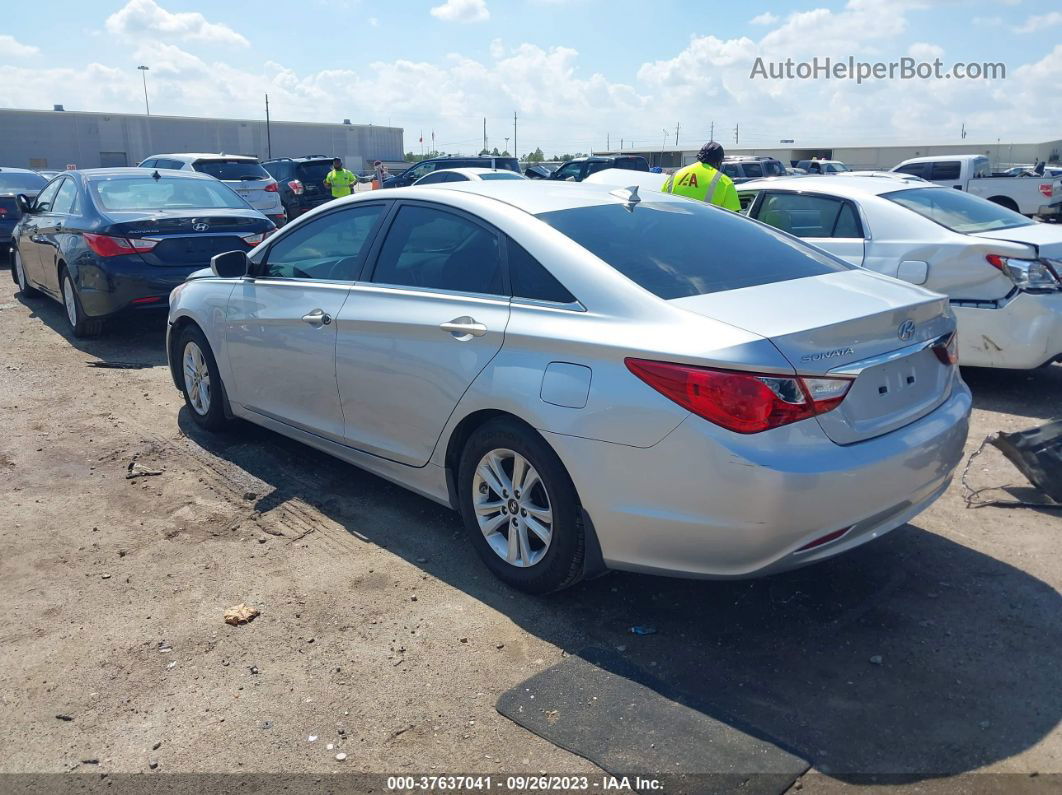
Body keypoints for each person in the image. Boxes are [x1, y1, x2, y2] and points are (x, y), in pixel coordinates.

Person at [660, 141, 740, 211]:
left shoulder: (676, 174)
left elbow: (661, 204)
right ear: (719, 161)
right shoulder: (724, 182)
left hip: (673, 226)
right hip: (705, 227)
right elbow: (736, 219)